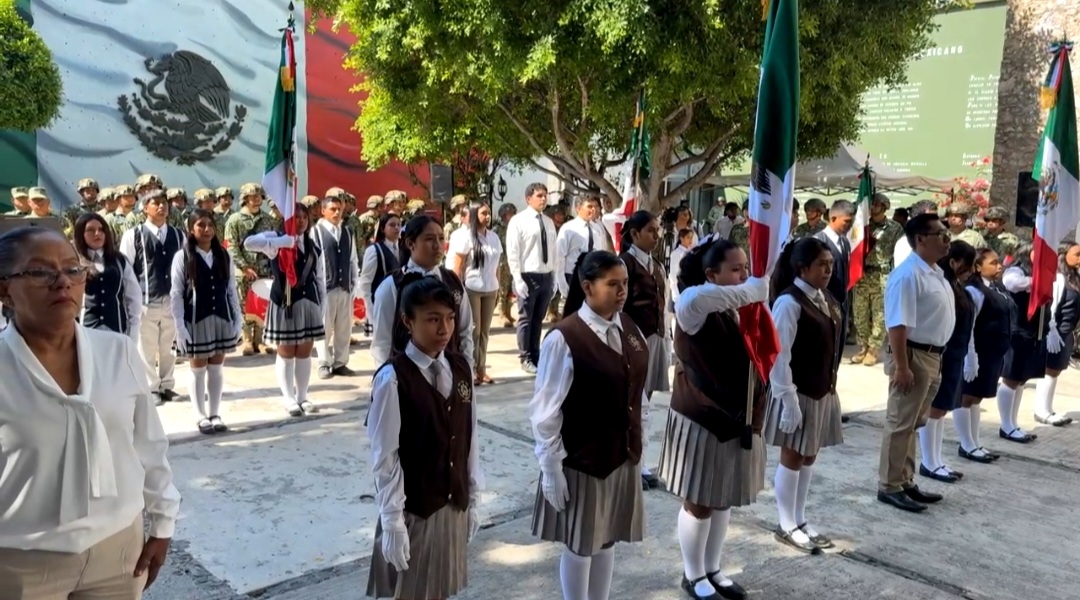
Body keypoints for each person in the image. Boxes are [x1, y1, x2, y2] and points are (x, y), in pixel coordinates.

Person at [0, 226, 181, 599]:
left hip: (117, 553)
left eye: (72, 269)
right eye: (40, 272)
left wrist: (162, 522)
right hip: (21, 561)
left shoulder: (118, 352)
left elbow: (148, 445)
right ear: (4, 289)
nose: (61, 282)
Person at [529, 250, 646, 600]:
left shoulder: (628, 327)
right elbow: (545, 410)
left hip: (621, 455)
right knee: (581, 544)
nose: (621, 291)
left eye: (624, 284)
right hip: (584, 460)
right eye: (612, 284)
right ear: (587, 286)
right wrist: (551, 466)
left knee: (607, 538)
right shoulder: (564, 338)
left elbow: (636, 392)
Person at [658, 239, 769, 600]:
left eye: (746, 267)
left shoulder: (734, 307)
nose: (744, 275)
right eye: (735, 269)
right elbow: (697, 299)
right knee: (699, 500)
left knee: (723, 498)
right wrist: (751, 289)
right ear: (710, 275)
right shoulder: (694, 304)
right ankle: (693, 575)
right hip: (701, 417)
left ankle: (713, 568)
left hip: (733, 417)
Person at [366, 277, 483, 599]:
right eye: (433, 319)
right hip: (414, 510)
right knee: (412, 592)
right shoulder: (393, 379)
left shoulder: (460, 369)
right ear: (408, 321)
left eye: (449, 318)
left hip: (452, 503)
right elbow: (385, 455)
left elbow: (469, 436)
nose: (444, 329)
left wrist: (472, 494)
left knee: (441, 589)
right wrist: (392, 520)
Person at [764, 237, 844, 555]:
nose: (828, 270)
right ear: (802, 267)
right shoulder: (790, 302)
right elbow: (778, 354)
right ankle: (786, 523)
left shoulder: (823, 297)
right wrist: (787, 397)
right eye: (821, 265)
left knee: (809, 455)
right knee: (793, 455)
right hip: (798, 391)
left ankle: (799, 518)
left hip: (822, 389)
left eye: (830, 264)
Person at [878, 213, 954, 513]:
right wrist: (901, 366)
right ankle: (889, 485)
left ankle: (905, 479)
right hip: (913, 354)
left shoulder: (934, 271)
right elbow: (897, 324)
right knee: (900, 422)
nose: (947, 238)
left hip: (933, 354)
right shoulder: (908, 274)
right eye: (940, 234)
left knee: (913, 423)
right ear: (921, 239)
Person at [244, 203, 327, 417]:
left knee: (305, 351)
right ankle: (288, 397)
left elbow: (319, 279)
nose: (300, 221)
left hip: (308, 303)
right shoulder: (275, 240)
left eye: (304, 217)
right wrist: (282, 241)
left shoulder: (313, 245)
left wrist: (321, 307)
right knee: (287, 351)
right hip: (285, 302)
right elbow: (249, 243)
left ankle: (302, 396)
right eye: (295, 217)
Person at [169, 209, 242, 434]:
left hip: (220, 317)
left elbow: (231, 289)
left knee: (217, 368)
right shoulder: (183, 256)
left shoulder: (223, 255)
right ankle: (200, 415)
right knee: (198, 369)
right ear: (191, 229)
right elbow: (176, 293)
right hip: (196, 319)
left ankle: (215, 412)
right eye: (201, 225)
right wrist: (180, 326)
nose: (206, 229)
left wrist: (237, 318)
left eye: (210, 225)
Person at [371, 215, 474, 368]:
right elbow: (382, 342)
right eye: (429, 239)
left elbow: (465, 332)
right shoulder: (392, 286)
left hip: (450, 373)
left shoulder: (453, 282)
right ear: (411, 243)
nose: (437, 245)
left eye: (441, 238)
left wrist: (466, 369)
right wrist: (388, 378)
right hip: (408, 377)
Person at [619, 211, 671, 490]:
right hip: (633, 340)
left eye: (658, 230)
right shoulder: (624, 264)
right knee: (632, 404)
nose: (657, 235)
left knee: (645, 403)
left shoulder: (657, 266)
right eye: (651, 230)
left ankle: (640, 461)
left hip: (655, 337)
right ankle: (630, 462)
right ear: (635, 234)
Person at [918, 241, 977, 484]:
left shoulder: (954, 284)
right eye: (968, 264)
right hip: (943, 353)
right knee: (934, 409)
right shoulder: (944, 284)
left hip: (955, 354)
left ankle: (936, 459)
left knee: (942, 410)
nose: (972, 270)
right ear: (953, 262)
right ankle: (928, 462)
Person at [119, 189, 185, 406]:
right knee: (146, 347)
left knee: (169, 345)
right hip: (146, 300)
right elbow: (126, 269)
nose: (161, 206)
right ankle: (151, 387)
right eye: (155, 203)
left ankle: (167, 385)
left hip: (172, 299)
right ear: (145, 208)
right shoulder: (133, 235)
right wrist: (130, 301)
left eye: (164, 202)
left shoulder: (178, 235)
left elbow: (184, 267)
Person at [956, 248, 1010, 463]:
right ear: (977, 267)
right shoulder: (974, 291)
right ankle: (966, 444)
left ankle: (975, 442)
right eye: (993, 263)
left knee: (976, 398)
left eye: (999, 262)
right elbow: (969, 326)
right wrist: (971, 357)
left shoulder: (994, 288)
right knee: (966, 397)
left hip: (991, 354)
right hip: (978, 352)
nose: (999, 266)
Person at [997, 243, 1049, 443]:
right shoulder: (1017, 270)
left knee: (1020, 380)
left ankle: (1012, 422)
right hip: (1018, 331)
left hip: (1033, 331)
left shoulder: (1042, 271)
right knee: (1011, 379)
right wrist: (1037, 280)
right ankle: (1005, 425)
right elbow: (1011, 283)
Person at [505, 183, 557, 373]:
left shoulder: (548, 222)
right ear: (529, 199)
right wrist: (517, 277)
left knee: (538, 318)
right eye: (539, 196)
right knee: (525, 318)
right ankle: (525, 357)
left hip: (545, 275)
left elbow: (553, 251)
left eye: (545, 195)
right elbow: (513, 251)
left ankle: (536, 354)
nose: (544, 199)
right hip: (527, 275)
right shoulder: (518, 221)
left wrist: (554, 276)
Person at [450, 202, 503, 384]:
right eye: (483, 213)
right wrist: (458, 290)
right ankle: (470, 368)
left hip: (491, 288)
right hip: (472, 288)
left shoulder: (494, 237)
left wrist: (499, 286)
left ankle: (482, 368)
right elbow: (458, 266)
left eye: (489, 213)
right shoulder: (467, 238)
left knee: (485, 332)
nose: (487, 217)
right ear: (473, 215)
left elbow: (497, 265)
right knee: (474, 330)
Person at [851, 193, 905, 366]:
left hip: (882, 276)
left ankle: (873, 350)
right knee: (859, 313)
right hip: (862, 275)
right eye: (871, 205)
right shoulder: (861, 226)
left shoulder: (895, 228)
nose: (872, 208)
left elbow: (900, 252)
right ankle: (862, 347)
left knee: (880, 315)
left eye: (876, 205)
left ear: (884, 207)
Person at [310, 194, 361, 379]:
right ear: (323, 211)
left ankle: (341, 362)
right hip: (325, 288)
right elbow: (313, 262)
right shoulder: (315, 232)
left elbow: (353, 258)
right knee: (324, 327)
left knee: (344, 327)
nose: (337, 212)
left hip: (345, 287)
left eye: (339, 209)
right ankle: (324, 362)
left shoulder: (347, 232)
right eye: (333, 209)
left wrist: (354, 282)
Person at [224, 183, 275, 356]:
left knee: (261, 305)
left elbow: (273, 244)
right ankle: (246, 340)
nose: (256, 199)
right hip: (243, 272)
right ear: (244, 199)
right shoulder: (235, 220)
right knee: (244, 305)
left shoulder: (268, 220)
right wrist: (244, 267)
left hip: (263, 271)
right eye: (252, 197)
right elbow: (231, 246)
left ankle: (259, 341)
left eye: (259, 196)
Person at [1033, 243, 1080, 426]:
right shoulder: (1059, 278)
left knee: (1055, 371)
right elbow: (1051, 306)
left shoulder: (1074, 277)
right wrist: (1051, 330)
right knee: (1049, 371)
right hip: (1057, 331)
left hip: (1067, 331)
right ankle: (1041, 410)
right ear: (1063, 254)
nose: (1079, 259)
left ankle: (1048, 408)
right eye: (1076, 254)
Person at [73, 212, 142, 340]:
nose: (97, 234)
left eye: (101, 230)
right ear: (81, 234)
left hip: (116, 328)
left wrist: (133, 331)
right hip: (86, 329)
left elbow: (133, 297)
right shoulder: (74, 261)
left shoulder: (119, 260)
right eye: (90, 230)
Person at [812, 200, 855, 368]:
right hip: (824, 305)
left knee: (837, 350)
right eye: (846, 222)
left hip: (841, 304)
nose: (849, 226)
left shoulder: (844, 242)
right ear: (833, 218)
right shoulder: (818, 242)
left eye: (851, 222)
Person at [556, 194, 602, 318]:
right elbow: (560, 256)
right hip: (574, 276)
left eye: (595, 207)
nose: (593, 210)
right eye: (589, 206)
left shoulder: (597, 229)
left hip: (593, 276)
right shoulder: (569, 228)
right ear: (578, 208)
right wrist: (561, 282)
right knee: (573, 314)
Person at [359, 213, 403, 332]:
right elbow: (365, 283)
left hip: (399, 305)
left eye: (399, 225)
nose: (396, 228)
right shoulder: (374, 250)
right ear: (383, 229)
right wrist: (370, 310)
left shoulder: (403, 250)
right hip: (380, 303)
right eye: (392, 225)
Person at [892, 200, 938, 268]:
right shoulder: (904, 244)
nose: (936, 222)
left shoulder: (936, 241)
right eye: (930, 219)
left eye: (936, 218)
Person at [493, 203, 518, 328]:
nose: (512, 216)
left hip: (513, 263)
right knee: (502, 290)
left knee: (510, 290)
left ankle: (508, 313)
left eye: (513, 213)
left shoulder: (515, 228)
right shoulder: (497, 230)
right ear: (503, 215)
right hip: (502, 264)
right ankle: (501, 314)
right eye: (509, 214)